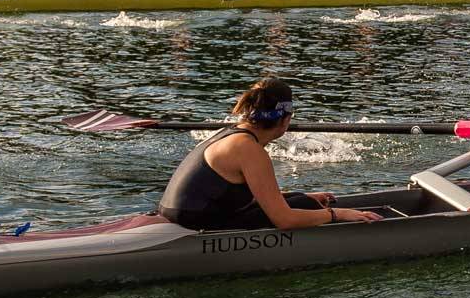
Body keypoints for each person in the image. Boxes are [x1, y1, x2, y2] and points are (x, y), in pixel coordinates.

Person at [157, 78, 382, 230]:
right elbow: (284, 220)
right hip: (195, 222)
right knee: (306, 207)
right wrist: (337, 214)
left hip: (179, 212)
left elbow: (235, 193)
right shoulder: (249, 149)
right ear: (286, 120)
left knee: (300, 199)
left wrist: (297, 196)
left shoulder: (230, 133)